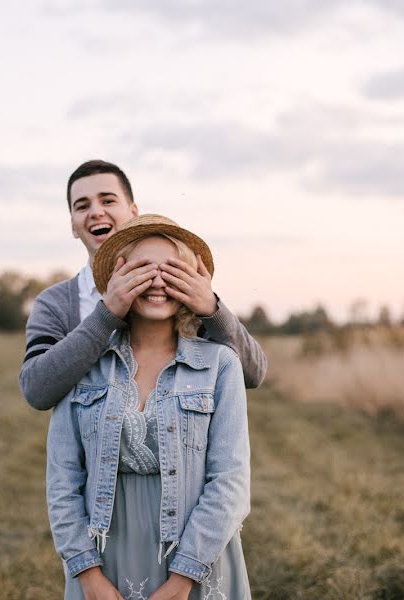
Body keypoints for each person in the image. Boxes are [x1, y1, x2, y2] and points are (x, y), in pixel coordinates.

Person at [47, 214, 251, 599]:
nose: (157, 282)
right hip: (104, 561)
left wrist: (183, 580)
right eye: (142, 269)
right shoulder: (83, 365)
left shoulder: (220, 365)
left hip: (197, 559)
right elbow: (62, 481)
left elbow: (231, 482)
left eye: (172, 270)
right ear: (117, 280)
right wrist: (87, 575)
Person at [19, 160, 266, 411]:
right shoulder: (55, 303)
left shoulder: (170, 292)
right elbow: (36, 391)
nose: (96, 212)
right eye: (82, 206)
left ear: (133, 213)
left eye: (108, 201)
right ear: (73, 225)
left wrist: (212, 310)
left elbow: (253, 373)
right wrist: (107, 315)